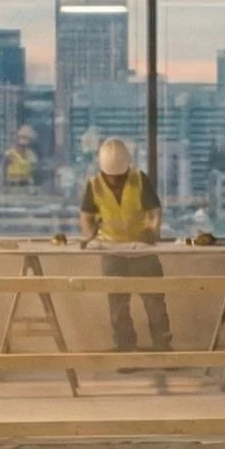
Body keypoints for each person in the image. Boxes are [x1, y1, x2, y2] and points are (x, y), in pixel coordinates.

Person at [78, 138, 172, 353]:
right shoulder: (95, 185)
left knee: (154, 302)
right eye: (111, 176)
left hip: (141, 248)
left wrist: (152, 231)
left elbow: (155, 212)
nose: (114, 180)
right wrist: (88, 236)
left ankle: (163, 347)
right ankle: (125, 347)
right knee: (118, 306)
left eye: (118, 176)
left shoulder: (139, 179)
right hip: (112, 249)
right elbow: (86, 216)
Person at [3, 125, 39, 189]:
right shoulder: (9, 153)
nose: (24, 142)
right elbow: (3, 170)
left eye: (27, 139)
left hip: (26, 185)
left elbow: (34, 169)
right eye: (22, 137)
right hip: (11, 185)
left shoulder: (31, 154)